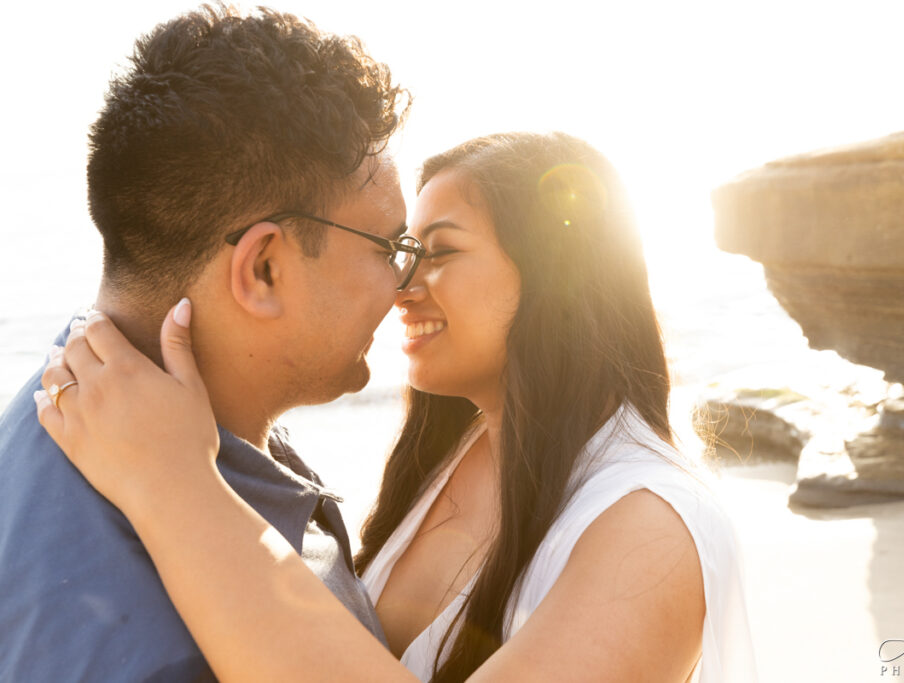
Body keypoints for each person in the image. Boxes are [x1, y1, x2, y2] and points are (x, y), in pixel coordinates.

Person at [36, 132, 759, 682]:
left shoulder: (652, 526)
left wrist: (174, 484)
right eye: (401, 251)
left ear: (559, 279)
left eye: (437, 252)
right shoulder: (461, 448)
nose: (400, 284)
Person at [0, 5, 414, 680]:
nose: (403, 282)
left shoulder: (67, 419)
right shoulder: (158, 646)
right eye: (388, 247)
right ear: (264, 269)